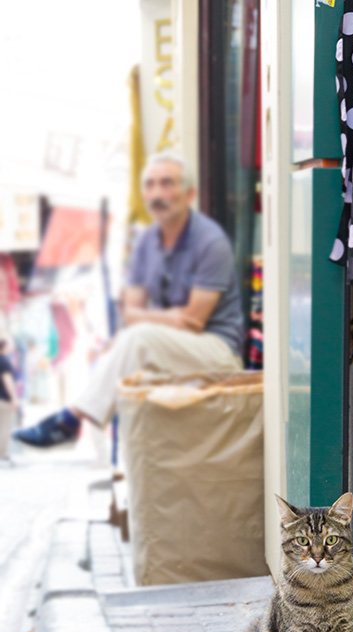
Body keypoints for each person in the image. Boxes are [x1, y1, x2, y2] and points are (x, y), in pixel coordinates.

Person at [14, 152, 245, 448]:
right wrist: (165, 318)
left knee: (137, 339)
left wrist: (149, 320)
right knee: (125, 344)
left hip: (218, 350)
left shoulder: (210, 242)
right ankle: (118, 460)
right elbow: (131, 313)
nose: (157, 193)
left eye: (167, 183)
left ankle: (71, 420)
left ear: (189, 194)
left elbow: (192, 322)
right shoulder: (145, 243)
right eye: (149, 185)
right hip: (168, 347)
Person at [0, 337, 19, 460]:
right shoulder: (4, 361)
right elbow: (7, 381)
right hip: (3, 399)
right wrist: (14, 398)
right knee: (4, 427)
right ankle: (2, 454)